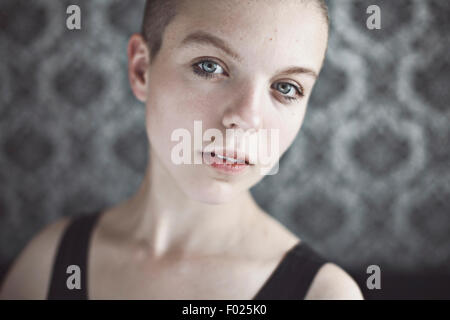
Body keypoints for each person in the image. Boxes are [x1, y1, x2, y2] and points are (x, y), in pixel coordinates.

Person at [0, 0, 364, 299]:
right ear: (142, 69)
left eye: (286, 88)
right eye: (210, 66)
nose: (246, 118)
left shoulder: (325, 295)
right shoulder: (48, 266)